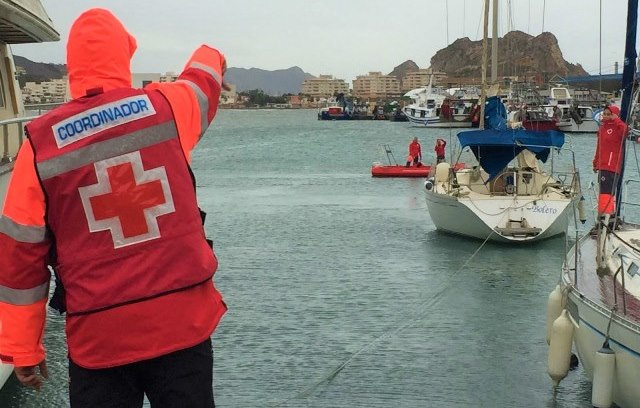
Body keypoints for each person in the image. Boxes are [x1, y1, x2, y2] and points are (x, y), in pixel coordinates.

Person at [0, 8, 228, 407]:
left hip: (99, 340)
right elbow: (204, 82)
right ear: (124, 55)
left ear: (73, 66)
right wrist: (211, 51)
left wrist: (23, 349)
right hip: (182, 326)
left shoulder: (37, 148)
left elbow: (20, 261)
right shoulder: (167, 107)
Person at [592, 105, 628, 217]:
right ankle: (605, 217)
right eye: (605, 114)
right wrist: (595, 162)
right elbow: (599, 147)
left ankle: (605, 218)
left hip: (611, 165)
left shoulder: (618, 127)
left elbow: (626, 130)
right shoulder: (602, 128)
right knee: (603, 192)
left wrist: (616, 119)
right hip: (602, 166)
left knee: (606, 193)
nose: (606, 116)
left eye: (609, 114)